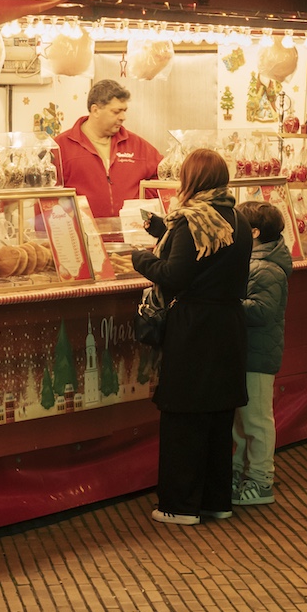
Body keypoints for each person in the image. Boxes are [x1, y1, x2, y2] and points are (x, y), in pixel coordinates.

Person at [131, 149, 253, 526]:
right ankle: (216, 501)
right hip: (228, 324)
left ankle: (180, 505)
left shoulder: (192, 220)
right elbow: (208, 258)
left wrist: (140, 259)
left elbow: (175, 275)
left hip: (195, 327)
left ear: (191, 180)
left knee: (184, 415)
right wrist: (162, 231)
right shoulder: (236, 218)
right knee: (218, 415)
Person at [230, 201, 291, 507]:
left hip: (257, 355)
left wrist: (225, 301)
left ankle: (261, 480)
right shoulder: (255, 261)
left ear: (253, 233)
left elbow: (262, 311)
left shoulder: (266, 268)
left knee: (256, 420)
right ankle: (240, 473)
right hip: (247, 351)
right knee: (242, 421)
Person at [56, 78, 162, 219]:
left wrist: (143, 200)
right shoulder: (60, 146)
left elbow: (164, 177)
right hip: (82, 231)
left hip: (131, 231)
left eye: (124, 111)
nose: (123, 117)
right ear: (95, 110)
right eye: (116, 112)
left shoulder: (137, 145)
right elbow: (46, 196)